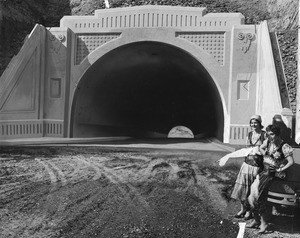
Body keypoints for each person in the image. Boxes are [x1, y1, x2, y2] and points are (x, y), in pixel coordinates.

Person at [247, 124, 294, 234]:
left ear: (277, 134)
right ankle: (256, 220)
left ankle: (264, 224)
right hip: (264, 172)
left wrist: (280, 168)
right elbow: (261, 148)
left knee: (259, 197)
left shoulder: (284, 146)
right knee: (251, 195)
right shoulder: (268, 142)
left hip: (272, 174)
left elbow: (291, 162)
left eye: (272, 134)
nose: (269, 136)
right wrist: (266, 154)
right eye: (268, 134)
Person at [231, 115, 267, 220]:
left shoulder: (264, 135)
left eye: (255, 122)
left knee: (252, 190)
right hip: (246, 164)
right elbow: (247, 147)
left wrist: (259, 150)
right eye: (251, 123)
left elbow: (266, 150)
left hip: (257, 166)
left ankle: (250, 211)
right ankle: (243, 209)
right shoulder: (250, 134)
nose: (253, 125)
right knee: (242, 188)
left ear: (260, 123)